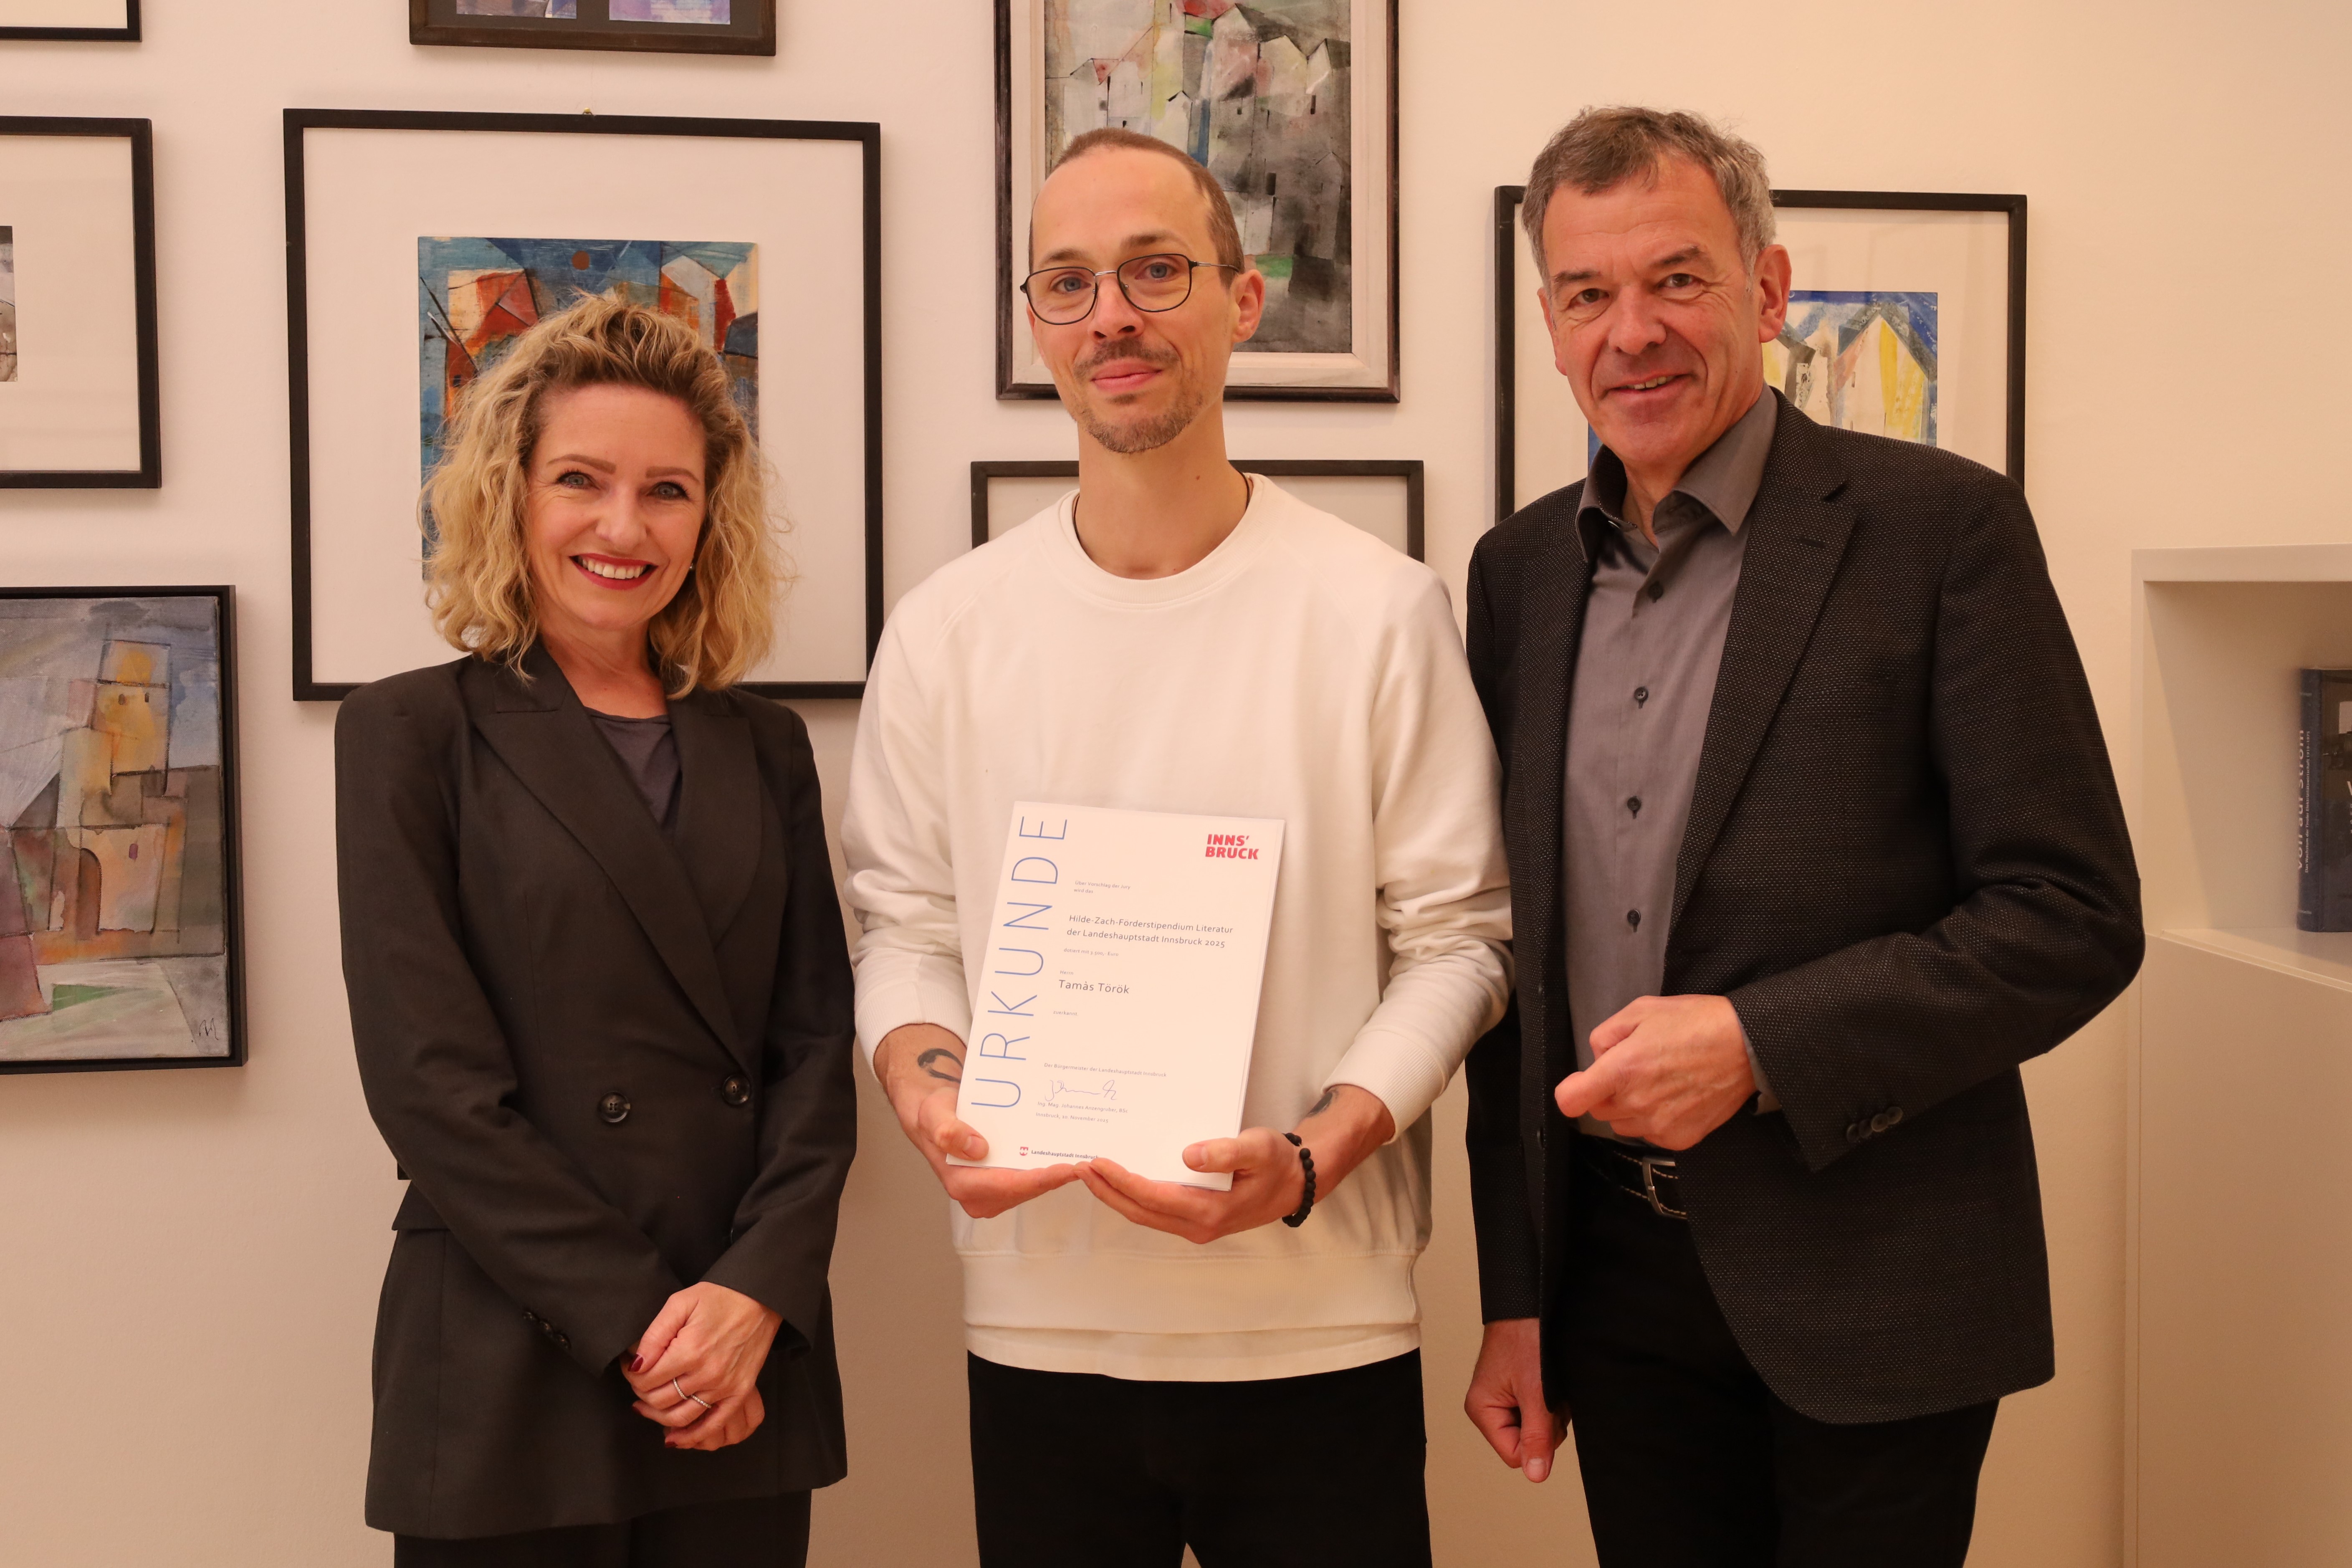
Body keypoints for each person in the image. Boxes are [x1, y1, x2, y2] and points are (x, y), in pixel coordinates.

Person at [1459, 106, 2143, 1565]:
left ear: (1767, 292)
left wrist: (1764, 1045)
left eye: (1676, 280)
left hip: (1874, 1270)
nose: (1630, 333)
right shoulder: (1516, 571)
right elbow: (1511, 967)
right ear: (1548, 323)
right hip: (1613, 1281)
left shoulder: (1941, 530)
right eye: (1587, 295)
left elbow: (2069, 911)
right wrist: (1513, 1292)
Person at [842, 128, 1510, 1567]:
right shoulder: (948, 629)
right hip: (1039, 1318)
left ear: (1242, 298)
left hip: (1316, 1315)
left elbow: (1459, 941)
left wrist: (1316, 1152)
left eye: (1155, 271)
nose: (1113, 318)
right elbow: (902, 926)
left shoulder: (1375, 612)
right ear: (1035, 324)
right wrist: (933, 1088)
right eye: (1069, 283)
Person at [336, 296, 857, 1567]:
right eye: (582, 480)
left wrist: (753, 1296)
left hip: (737, 1359)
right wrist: (644, 1326)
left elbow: (813, 1051)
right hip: (518, 1348)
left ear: (708, 518)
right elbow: (431, 1088)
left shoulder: (766, 744)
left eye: (667, 491)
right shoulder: (411, 734)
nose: (624, 527)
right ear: (510, 495)